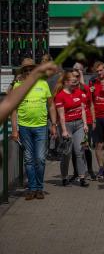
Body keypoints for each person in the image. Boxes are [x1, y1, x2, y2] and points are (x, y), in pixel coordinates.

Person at [11, 58, 57, 200]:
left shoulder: (43, 84)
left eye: (31, 69)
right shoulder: (17, 86)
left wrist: (54, 125)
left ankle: (39, 187)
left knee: (41, 159)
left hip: (41, 127)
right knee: (29, 159)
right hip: (24, 128)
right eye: (26, 70)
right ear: (23, 72)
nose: (29, 71)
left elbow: (51, 105)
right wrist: (14, 129)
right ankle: (32, 188)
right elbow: (13, 110)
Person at [54, 70, 89, 187]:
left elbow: (82, 109)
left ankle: (82, 177)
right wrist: (63, 130)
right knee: (67, 153)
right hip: (67, 125)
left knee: (79, 151)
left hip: (79, 124)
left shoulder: (78, 92)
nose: (75, 84)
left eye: (76, 81)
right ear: (66, 82)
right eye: (73, 82)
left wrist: (85, 124)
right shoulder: (60, 96)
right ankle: (64, 177)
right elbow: (61, 116)